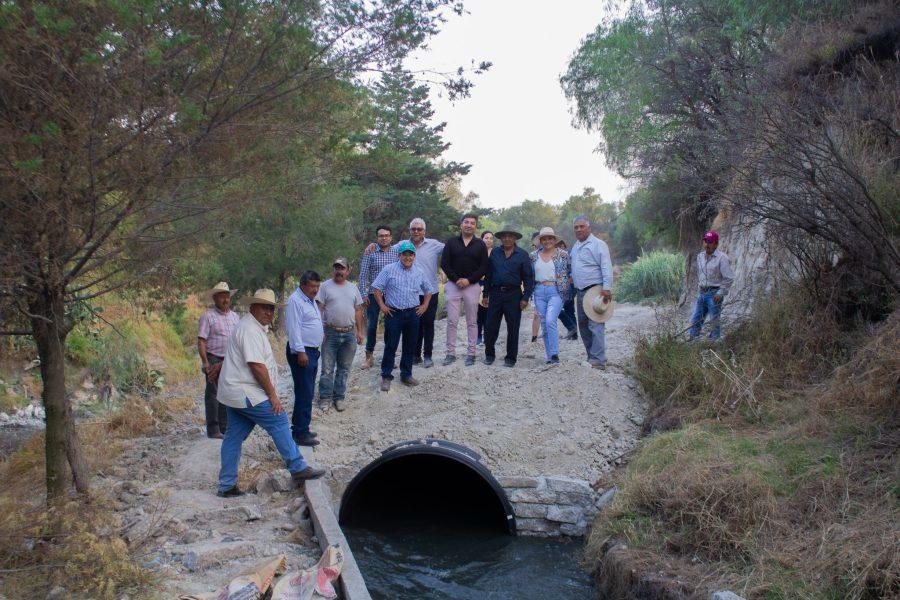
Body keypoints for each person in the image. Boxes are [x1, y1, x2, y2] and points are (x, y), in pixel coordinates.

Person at [216, 289, 325, 498]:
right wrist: (273, 396)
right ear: (252, 307)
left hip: (236, 392)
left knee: (233, 437)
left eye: (271, 308)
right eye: (264, 307)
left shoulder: (250, 327)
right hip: (247, 392)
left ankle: (226, 485)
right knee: (279, 420)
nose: (268, 312)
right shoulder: (250, 330)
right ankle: (298, 466)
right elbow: (257, 366)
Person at [365, 218, 444, 368]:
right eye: (413, 229)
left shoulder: (434, 245)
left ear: (424, 231)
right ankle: (415, 356)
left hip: (429, 291)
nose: (416, 231)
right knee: (415, 328)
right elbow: (384, 244)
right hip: (410, 294)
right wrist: (374, 245)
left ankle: (428, 355)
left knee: (428, 325)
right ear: (410, 230)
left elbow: (453, 248)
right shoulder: (402, 245)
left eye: (419, 229)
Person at [371, 241, 435, 391]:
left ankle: (406, 374)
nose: (407, 257)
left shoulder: (419, 272)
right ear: (399, 255)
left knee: (409, 346)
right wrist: (382, 306)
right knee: (391, 345)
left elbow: (429, 290)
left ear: (414, 256)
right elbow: (376, 288)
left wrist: (424, 306)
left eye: (410, 254)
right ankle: (386, 376)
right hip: (393, 313)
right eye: (404, 254)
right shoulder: (389, 269)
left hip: (413, 314)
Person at [316, 258, 365, 412]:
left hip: (349, 333)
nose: (339, 271)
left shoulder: (353, 288)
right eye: (336, 268)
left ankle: (339, 398)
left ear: (347, 271)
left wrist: (360, 331)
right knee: (327, 368)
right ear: (333, 270)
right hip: (330, 332)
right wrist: (320, 330)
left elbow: (358, 310)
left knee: (344, 368)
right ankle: (324, 398)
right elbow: (319, 309)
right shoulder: (324, 287)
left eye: (342, 268)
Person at [440, 214, 489, 366]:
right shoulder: (451, 242)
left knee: (472, 321)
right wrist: (456, 279)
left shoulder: (480, 244)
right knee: (452, 320)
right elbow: (445, 263)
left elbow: (484, 267)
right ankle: (450, 353)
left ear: (475, 226)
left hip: (472, 286)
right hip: (453, 286)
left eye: (472, 223)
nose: (469, 225)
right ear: (461, 225)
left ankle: (471, 353)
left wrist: (469, 280)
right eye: (466, 222)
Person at [484, 228, 534, 368]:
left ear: (515, 238)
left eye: (510, 236)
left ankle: (511, 358)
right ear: (500, 239)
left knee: (513, 327)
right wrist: (486, 294)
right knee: (490, 326)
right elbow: (488, 274)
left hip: (514, 295)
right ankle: (489, 354)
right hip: (495, 294)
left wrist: (525, 297)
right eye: (504, 236)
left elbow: (528, 278)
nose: (507, 239)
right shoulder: (495, 252)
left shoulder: (522, 254)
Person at [285, 270, 324, 447]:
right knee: (304, 392)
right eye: (313, 286)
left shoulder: (310, 300)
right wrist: (300, 352)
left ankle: (303, 428)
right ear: (303, 285)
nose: (316, 289)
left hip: (312, 351)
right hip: (303, 352)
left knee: (308, 391)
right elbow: (294, 329)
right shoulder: (295, 301)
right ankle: (300, 433)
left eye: (318, 286)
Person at [197, 282, 240, 439]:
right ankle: (213, 429)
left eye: (227, 296)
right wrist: (205, 362)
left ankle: (224, 426)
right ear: (215, 298)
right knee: (213, 393)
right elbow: (201, 340)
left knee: (227, 393)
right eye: (222, 296)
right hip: (214, 358)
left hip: (230, 360)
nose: (225, 299)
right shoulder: (208, 316)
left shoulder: (235, 317)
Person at [570, 215, 613, 369]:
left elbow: (606, 267)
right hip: (580, 291)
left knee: (596, 324)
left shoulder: (598, 245)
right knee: (582, 325)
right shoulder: (575, 246)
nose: (579, 229)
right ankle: (592, 357)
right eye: (576, 227)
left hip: (596, 290)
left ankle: (598, 360)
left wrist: (606, 288)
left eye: (582, 226)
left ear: (589, 228)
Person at [358, 225, 398, 369]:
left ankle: (390, 358)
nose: (384, 238)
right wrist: (363, 294)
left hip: (392, 294)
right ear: (377, 238)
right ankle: (369, 356)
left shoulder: (397, 251)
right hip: (374, 294)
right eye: (381, 236)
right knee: (372, 325)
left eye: (387, 235)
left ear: (391, 237)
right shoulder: (371, 252)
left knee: (391, 326)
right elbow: (363, 275)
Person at [530, 228, 571, 365]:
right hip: (539, 291)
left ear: (554, 240)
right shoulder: (533, 256)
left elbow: (569, 271)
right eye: (544, 239)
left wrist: (567, 287)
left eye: (550, 238)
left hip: (556, 290)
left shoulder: (563, 255)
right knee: (543, 323)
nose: (547, 241)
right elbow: (530, 275)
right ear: (540, 241)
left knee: (550, 320)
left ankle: (555, 353)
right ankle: (550, 357)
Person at [689, 230, 734, 340]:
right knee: (696, 318)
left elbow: (729, 278)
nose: (707, 244)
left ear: (716, 243)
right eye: (705, 241)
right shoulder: (700, 256)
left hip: (714, 293)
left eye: (710, 242)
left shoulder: (722, 258)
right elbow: (701, 275)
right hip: (702, 293)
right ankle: (693, 339)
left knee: (714, 320)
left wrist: (720, 293)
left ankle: (714, 341)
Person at [555, 239, 578, 340]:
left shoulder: (569, 256)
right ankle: (573, 333)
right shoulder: (557, 258)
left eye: (562, 246)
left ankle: (572, 329)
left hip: (570, 285)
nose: (560, 249)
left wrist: (569, 280)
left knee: (564, 308)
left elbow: (573, 270)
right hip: (563, 286)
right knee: (569, 309)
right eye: (558, 247)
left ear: (565, 247)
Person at [476, 231, 494, 346]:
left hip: (491, 285)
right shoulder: (477, 252)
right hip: (478, 284)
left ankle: (488, 337)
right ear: (482, 239)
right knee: (479, 313)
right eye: (486, 238)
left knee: (490, 313)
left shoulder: (496, 253)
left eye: (491, 238)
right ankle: (478, 336)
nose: (488, 240)